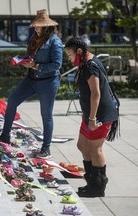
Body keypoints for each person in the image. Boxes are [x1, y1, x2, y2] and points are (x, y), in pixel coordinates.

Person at [0, 9, 63, 159]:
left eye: (39, 26)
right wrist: (21, 59)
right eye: (35, 26)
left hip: (48, 82)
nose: (36, 29)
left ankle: (46, 148)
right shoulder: (35, 38)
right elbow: (30, 56)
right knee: (12, 101)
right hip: (31, 79)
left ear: (47, 27)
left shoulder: (55, 42)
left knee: (46, 115)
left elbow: (56, 65)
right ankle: (5, 136)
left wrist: (36, 66)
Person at [64, 37, 119, 197]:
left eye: (69, 54)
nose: (69, 58)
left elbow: (96, 93)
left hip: (99, 115)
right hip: (89, 114)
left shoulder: (90, 66)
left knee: (95, 149)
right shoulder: (85, 62)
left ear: (79, 51)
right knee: (82, 145)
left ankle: (98, 185)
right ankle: (91, 180)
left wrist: (93, 119)